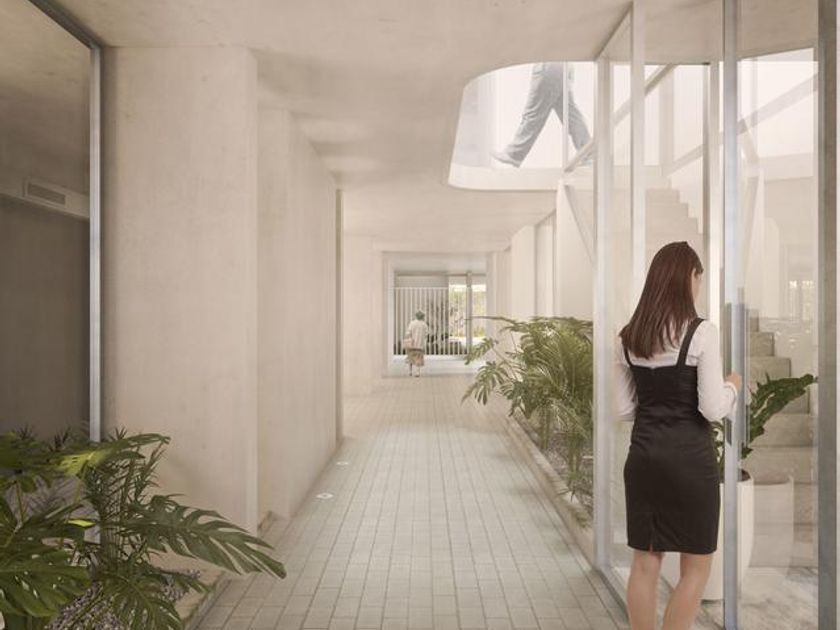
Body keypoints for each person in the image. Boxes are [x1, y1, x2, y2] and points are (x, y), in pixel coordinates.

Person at [615, 242, 743, 630]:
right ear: (690, 277)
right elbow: (712, 408)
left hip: (644, 458)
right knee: (696, 566)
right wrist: (733, 386)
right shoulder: (701, 332)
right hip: (689, 462)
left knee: (645, 561)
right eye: (699, 278)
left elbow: (623, 409)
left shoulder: (627, 337)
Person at [492, 61, 591, 168]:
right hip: (563, 64)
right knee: (570, 113)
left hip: (550, 64)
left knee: (534, 112)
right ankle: (589, 155)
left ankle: (514, 154)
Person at [404, 311, 429, 378]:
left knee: (410, 358)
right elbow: (426, 334)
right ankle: (417, 372)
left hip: (412, 344)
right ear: (422, 316)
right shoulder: (424, 324)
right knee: (418, 358)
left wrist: (408, 336)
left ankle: (410, 371)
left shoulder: (412, 323)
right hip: (420, 345)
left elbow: (408, 333)